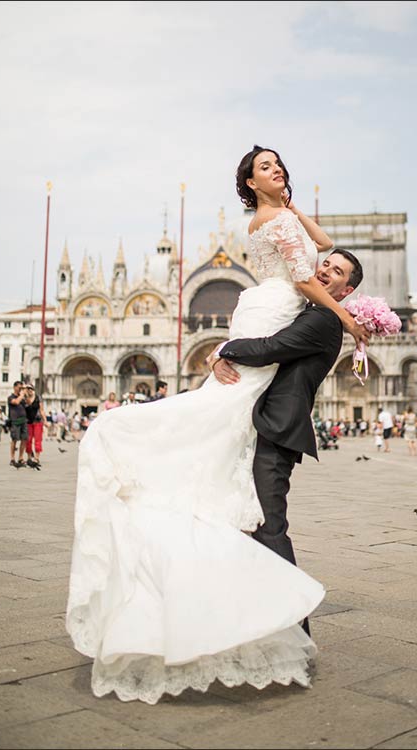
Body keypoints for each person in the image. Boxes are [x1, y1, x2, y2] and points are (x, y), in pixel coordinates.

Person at [66, 144, 369, 704]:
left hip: (266, 320)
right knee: (229, 439)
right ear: (247, 181)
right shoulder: (286, 246)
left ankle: (255, 615)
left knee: (229, 441)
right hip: (273, 312)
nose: (276, 169)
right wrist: (348, 317)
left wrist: (290, 203)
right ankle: (279, 621)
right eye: (263, 167)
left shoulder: (282, 219)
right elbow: (307, 281)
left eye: (280, 163)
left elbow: (324, 249)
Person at [210, 247, 364, 637]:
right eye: (326, 264)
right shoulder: (309, 311)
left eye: (338, 271)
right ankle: (267, 624)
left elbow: (269, 350)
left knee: (269, 528)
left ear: (345, 291)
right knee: (254, 525)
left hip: (275, 433)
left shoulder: (324, 320)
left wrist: (221, 349)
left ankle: (297, 634)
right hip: (263, 425)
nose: (327, 271)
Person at [23, 384, 47, 466]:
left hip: (37, 421)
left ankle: (37, 458)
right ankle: (29, 457)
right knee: (28, 440)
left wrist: (45, 420)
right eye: (27, 388)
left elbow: (41, 410)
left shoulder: (38, 397)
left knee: (38, 440)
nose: (29, 390)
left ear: (33, 389)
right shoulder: (24, 398)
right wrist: (25, 394)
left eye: (30, 388)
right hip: (28, 422)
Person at [8, 381, 28, 467]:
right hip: (15, 421)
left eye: (22, 388)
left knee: (24, 439)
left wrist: (26, 394)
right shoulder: (10, 397)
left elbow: (29, 403)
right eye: (20, 388)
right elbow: (16, 402)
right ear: (15, 387)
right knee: (14, 440)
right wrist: (21, 395)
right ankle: (12, 458)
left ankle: (20, 457)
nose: (21, 389)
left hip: (23, 421)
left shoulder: (22, 397)